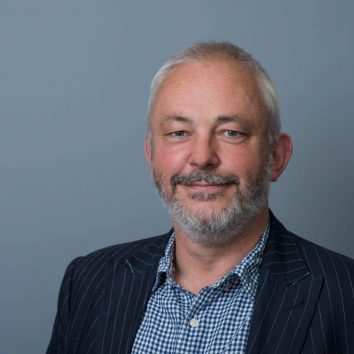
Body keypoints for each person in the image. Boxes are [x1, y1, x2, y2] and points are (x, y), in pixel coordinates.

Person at [47, 42, 354, 354]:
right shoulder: (88, 281)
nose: (202, 157)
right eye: (179, 133)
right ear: (151, 154)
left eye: (230, 132)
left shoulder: (346, 294)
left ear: (276, 156)